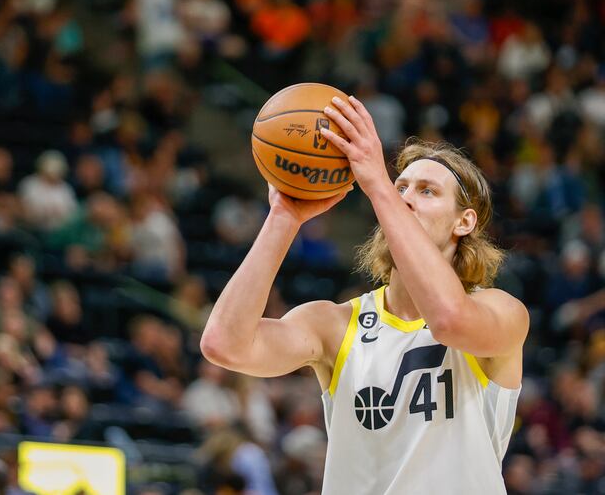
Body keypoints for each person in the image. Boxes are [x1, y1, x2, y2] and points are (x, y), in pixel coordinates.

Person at [200, 95, 529, 494]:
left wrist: (378, 184)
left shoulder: (501, 311)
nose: (404, 197)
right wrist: (283, 217)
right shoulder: (335, 324)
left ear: (464, 221)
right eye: (400, 186)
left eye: (427, 191)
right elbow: (224, 344)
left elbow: (448, 320)